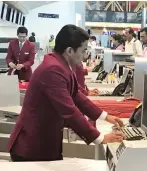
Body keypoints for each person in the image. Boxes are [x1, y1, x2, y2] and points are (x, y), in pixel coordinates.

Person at [7, 24, 125, 162]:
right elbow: (69, 110)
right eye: (83, 51)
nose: (85, 55)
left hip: (44, 141)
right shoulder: (53, 69)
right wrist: (100, 138)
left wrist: (105, 116)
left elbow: (76, 95)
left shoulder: (61, 64)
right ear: (69, 51)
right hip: (31, 146)